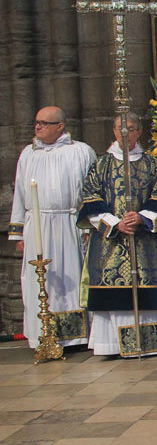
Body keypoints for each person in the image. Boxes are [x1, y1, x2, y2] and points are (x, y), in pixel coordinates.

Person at [78, 113, 157, 357]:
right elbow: (90, 198)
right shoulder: (101, 164)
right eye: (120, 128)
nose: (125, 133)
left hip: (144, 242)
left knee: (145, 288)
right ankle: (110, 345)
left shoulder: (151, 164)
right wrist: (114, 223)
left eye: (130, 129)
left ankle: (149, 343)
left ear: (139, 132)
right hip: (110, 242)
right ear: (113, 131)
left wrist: (141, 217)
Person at [9, 107, 96, 348]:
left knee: (71, 280)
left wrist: (90, 227)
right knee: (40, 281)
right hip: (38, 225)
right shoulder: (28, 154)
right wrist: (18, 232)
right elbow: (20, 192)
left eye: (44, 123)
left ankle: (75, 337)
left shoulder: (80, 152)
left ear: (60, 126)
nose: (38, 127)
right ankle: (43, 336)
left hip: (70, 224)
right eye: (36, 123)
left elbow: (92, 191)